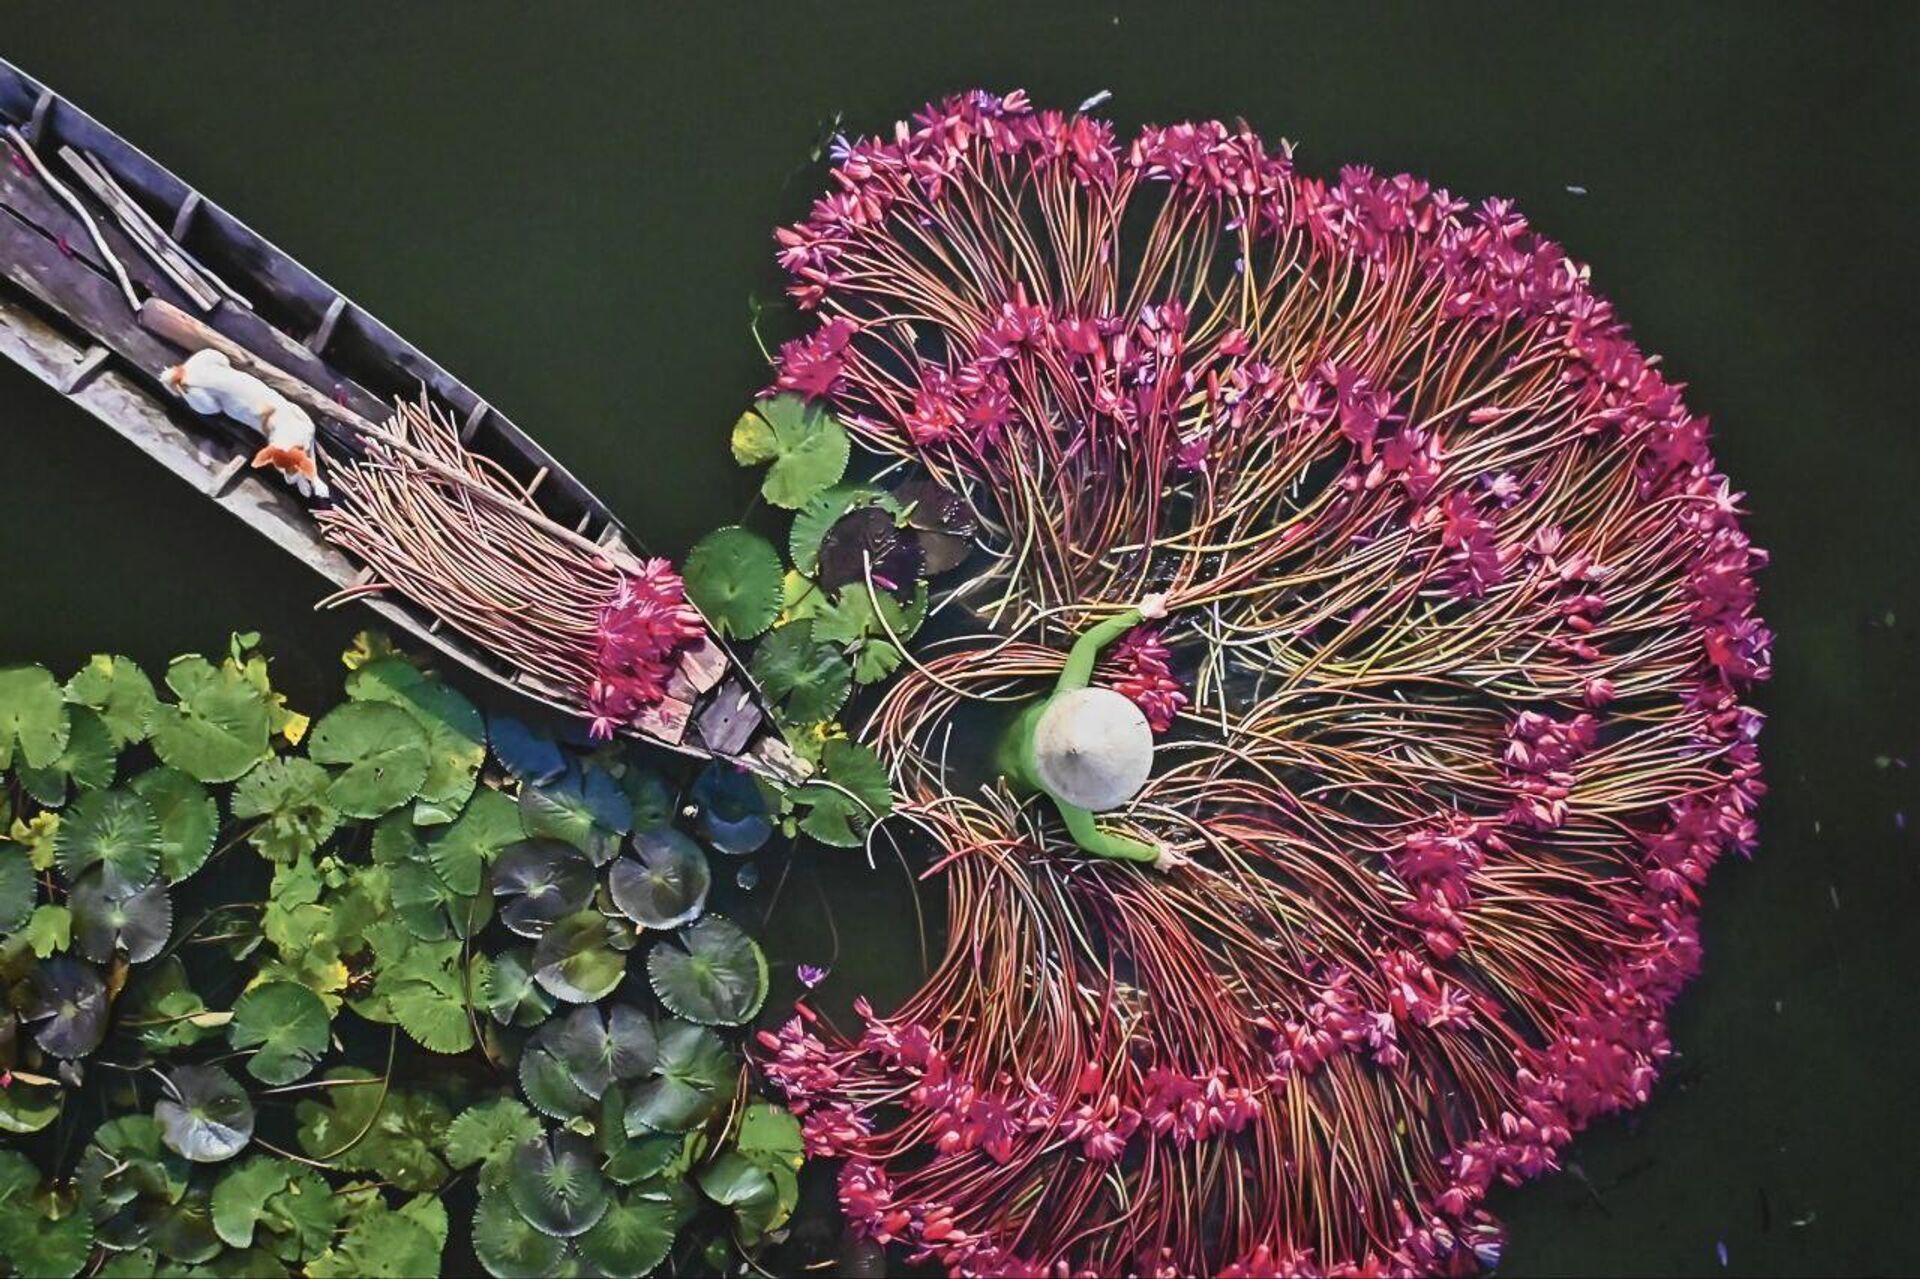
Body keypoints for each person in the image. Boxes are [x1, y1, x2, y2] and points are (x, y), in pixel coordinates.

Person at [998, 594, 1183, 870]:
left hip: (1010, 742)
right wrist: (1152, 855)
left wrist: (1140, 612)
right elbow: (1093, 841)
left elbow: (1087, 644)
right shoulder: (1070, 802)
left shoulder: (1065, 696)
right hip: (1015, 782)